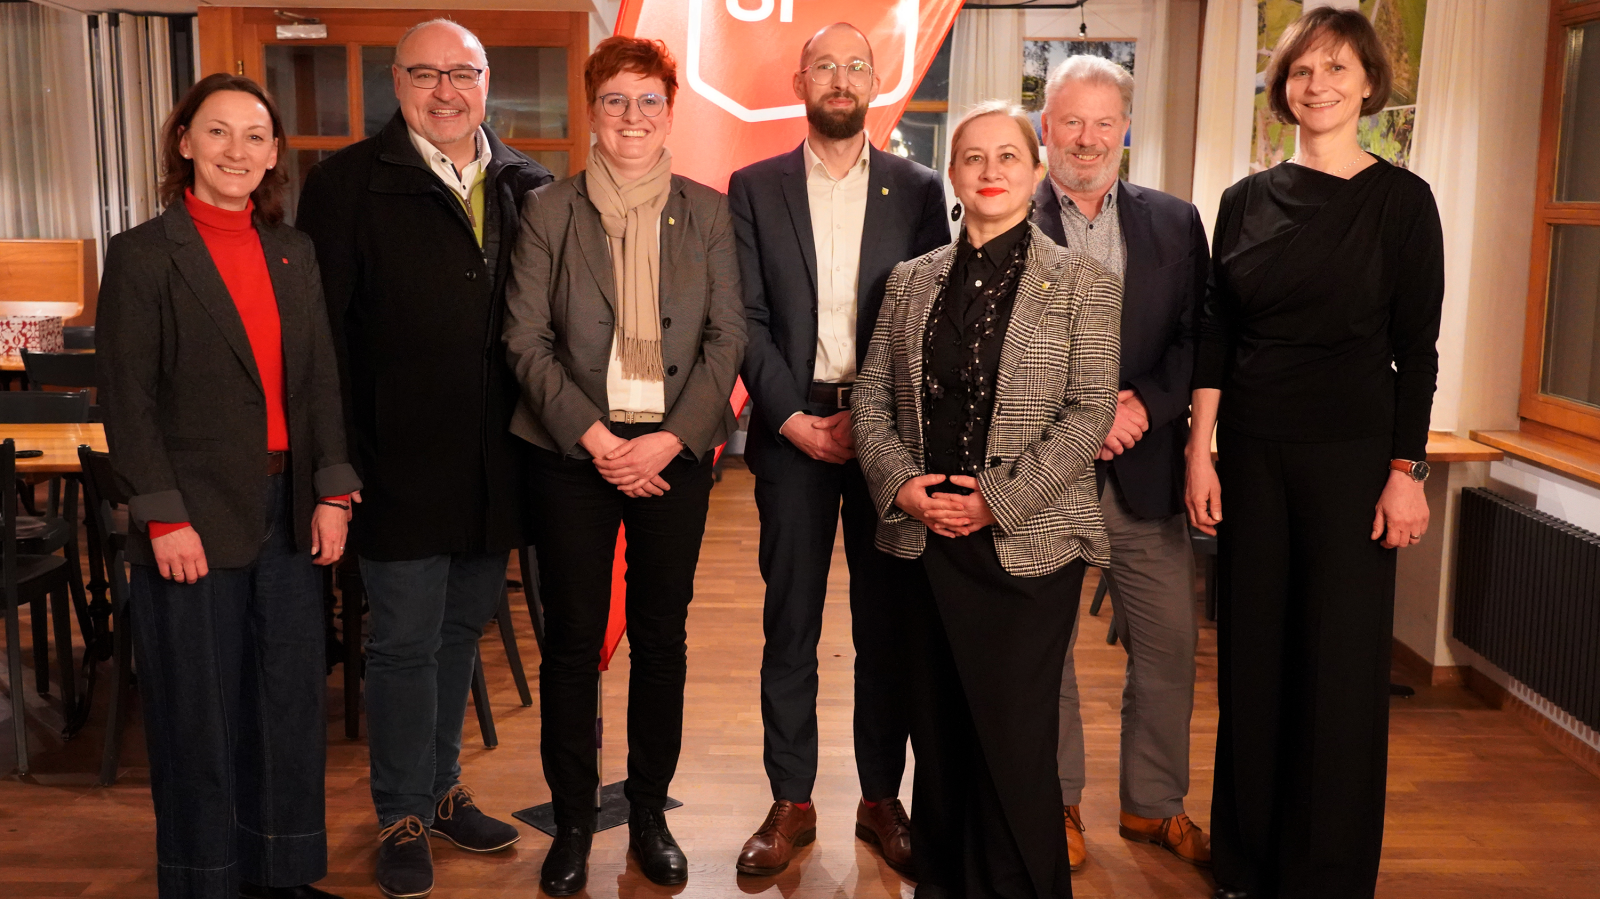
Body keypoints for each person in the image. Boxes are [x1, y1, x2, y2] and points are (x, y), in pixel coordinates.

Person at [1187, 9, 1444, 899]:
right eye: (1301, 70)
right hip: (1253, 454)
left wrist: (1406, 473)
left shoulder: (1403, 201)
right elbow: (1216, 336)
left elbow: (1419, 348)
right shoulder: (1243, 201)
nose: (1318, 84)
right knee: (1254, 661)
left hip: (1353, 462)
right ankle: (1245, 865)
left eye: (1336, 69)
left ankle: (1324, 876)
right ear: (1282, 86)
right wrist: (1200, 451)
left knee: (1337, 673)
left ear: (1369, 84)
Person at [294, 18, 554, 899]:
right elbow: (320, 344)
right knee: (403, 644)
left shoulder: (528, 181)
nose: (447, 91)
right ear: (397, 83)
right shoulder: (346, 187)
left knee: (458, 636)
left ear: (488, 82)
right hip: (393, 465)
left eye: (464, 74)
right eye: (426, 74)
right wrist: (335, 466)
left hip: (496, 467)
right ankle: (400, 810)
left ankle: (441, 791)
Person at [98, 73, 361, 899]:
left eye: (255, 136)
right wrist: (162, 516)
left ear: (274, 154)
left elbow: (319, 380)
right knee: (198, 719)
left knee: (288, 709)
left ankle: (282, 873)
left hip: (289, 513)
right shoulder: (144, 255)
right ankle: (205, 879)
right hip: (191, 526)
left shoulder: (295, 251)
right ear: (185, 143)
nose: (237, 151)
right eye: (218, 133)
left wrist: (333, 488)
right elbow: (127, 399)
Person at [853, 101, 1122, 898]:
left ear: (1035, 173)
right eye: (974, 158)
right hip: (925, 542)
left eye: (1009, 156)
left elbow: (1089, 413)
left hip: (1028, 550)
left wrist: (995, 501)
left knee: (1011, 742)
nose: (992, 170)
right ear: (954, 177)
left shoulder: (1083, 283)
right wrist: (904, 485)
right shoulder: (908, 282)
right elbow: (870, 401)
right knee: (938, 739)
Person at [502, 35, 746, 896]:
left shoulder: (708, 211)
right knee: (571, 643)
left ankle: (648, 811)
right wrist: (599, 441)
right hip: (572, 454)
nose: (633, 117)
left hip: (672, 452)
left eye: (648, 101)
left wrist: (671, 440)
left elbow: (728, 339)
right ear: (591, 113)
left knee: (662, 638)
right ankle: (572, 821)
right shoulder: (548, 211)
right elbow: (524, 340)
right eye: (616, 101)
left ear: (670, 111)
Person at [726, 21, 949, 878]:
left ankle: (880, 796)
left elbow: (927, 313)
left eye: (858, 65)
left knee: (885, 623)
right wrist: (789, 417)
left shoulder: (919, 188)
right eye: (827, 65)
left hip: (891, 436)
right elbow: (743, 315)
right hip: (791, 433)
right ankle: (792, 799)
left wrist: (876, 420)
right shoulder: (754, 186)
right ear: (800, 81)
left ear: (875, 82)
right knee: (791, 619)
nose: (842, 78)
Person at [1030, 55, 1211, 870]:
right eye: (1072, 120)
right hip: (1043, 475)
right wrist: (1084, 418)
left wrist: (1142, 404)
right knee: (1047, 648)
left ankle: (1153, 805)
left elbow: (1196, 340)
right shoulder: (1005, 217)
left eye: (1105, 122)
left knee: (1170, 642)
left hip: (1144, 470)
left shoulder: (1175, 223)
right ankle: (1057, 802)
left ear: (1126, 131)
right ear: (1045, 128)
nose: (1088, 138)